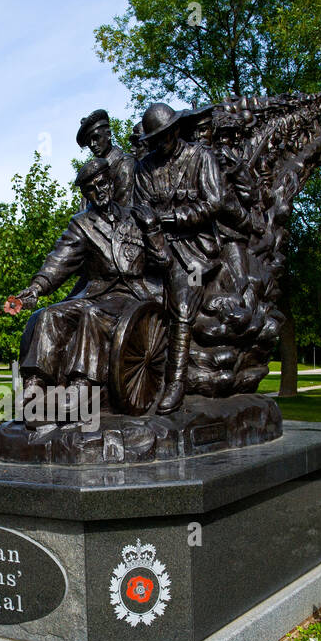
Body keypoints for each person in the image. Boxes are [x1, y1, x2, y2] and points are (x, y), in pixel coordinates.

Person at [3, 158, 167, 423]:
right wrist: (35, 289)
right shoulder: (82, 224)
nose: (99, 190)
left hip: (132, 297)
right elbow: (59, 261)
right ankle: (35, 385)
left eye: (102, 183)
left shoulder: (136, 217)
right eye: (91, 188)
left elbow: (163, 262)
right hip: (97, 292)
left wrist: (153, 229)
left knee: (93, 314)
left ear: (111, 182)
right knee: (47, 316)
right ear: (85, 194)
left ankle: (82, 385)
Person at [133, 101, 229, 413]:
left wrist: (173, 218)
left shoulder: (200, 157)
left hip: (195, 251)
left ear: (175, 130)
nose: (159, 144)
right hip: (154, 244)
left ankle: (175, 383)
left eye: (163, 136)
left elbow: (214, 202)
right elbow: (142, 209)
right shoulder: (143, 168)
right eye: (154, 139)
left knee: (183, 304)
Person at [76, 109, 136, 206]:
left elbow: (124, 207)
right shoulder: (91, 173)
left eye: (96, 138)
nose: (92, 144)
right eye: (88, 142)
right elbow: (83, 208)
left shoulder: (125, 163)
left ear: (108, 135)